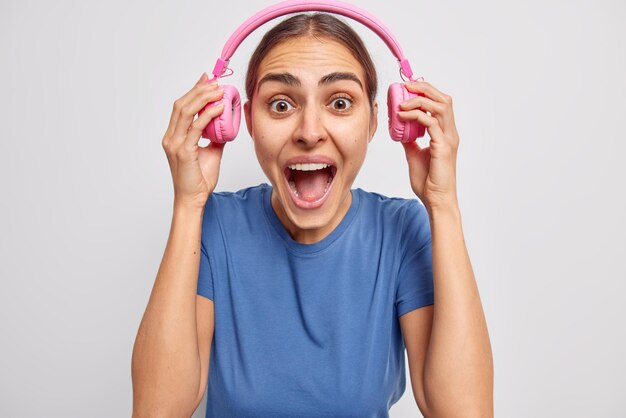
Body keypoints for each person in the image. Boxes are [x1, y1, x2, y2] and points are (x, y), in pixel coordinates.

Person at [131, 12, 493, 418]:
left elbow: (463, 412)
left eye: (340, 102)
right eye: (281, 104)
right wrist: (188, 203)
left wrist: (442, 204)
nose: (309, 131)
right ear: (244, 121)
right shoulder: (214, 226)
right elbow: (157, 411)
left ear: (376, 121)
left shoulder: (402, 231)